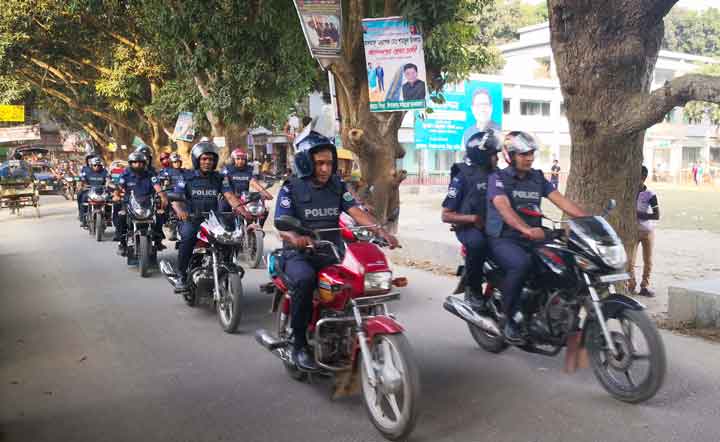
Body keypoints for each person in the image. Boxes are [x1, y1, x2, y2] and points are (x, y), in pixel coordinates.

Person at [275, 129, 399, 371]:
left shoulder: (336, 185)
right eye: (319, 163)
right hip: (299, 254)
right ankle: (298, 344)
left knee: (359, 281)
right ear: (306, 163)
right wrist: (296, 238)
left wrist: (380, 231)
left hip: (332, 252)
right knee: (304, 280)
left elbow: (355, 212)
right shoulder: (292, 187)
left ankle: (353, 331)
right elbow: (281, 224)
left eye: (329, 163)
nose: (325, 169)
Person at [486, 131, 588, 344]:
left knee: (566, 262)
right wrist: (526, 229)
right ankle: (510, 318)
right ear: (510, 155)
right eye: (523, 154)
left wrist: (588, 220)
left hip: (535, 237)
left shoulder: (537, 178)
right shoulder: (498, 179)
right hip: (505, 238)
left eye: (531, 153)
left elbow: (561, 201)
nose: (529, 158)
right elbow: (503, 208)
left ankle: (553, 312)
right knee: (521, 264)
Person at [171, 141, 248, 292]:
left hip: (213, 220)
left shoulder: (219, 178)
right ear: (197, 160)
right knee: (187, 237)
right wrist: (180, 211)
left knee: (231, 238)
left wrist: (243, 211)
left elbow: (229, 195)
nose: (207, 162)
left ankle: (225, 268)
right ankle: (181, 274)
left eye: (211, 159)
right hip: (192, 219)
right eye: (204, 159)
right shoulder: (186, 177)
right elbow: (176, 198)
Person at [441, 131, 499, 308]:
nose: (497, 158)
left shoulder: (499, 174)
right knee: (478, 244)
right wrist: (473, 218)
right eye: (493, 154)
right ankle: (473, 291)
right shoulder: (463, 177)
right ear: (482, 155)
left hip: (494, 224)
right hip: (469, 227)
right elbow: (446, 215)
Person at [113, 151, 168, 259]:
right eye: (135, 162)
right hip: (129, 202)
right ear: (130, 163)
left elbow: (157, 186)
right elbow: (119, 187)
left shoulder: (150, 174)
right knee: (121, 216)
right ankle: (122, 243)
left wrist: (162, 196)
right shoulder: (126, 174)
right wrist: (116, 195)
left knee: (160, 214)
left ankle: (158, 240)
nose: (138, 165)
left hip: (147, 203)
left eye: (141, 163)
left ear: (145, 163)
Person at [627, 166, 660, 297]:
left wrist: (638, 215)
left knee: (648, 261)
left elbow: (656, 215)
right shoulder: (629, 193)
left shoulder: (650, 195)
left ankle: (644, 287)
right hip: (633, 232)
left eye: (638, 177)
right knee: (630, 262)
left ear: (643, 178)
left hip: (647, 232)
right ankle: (631, 285)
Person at [220, 148, 273, 224]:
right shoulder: (227, 169)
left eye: (243, 159)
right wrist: (230, 194)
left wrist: (264, 192)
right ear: (233, 160)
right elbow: (224, 183)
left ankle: (256, 229)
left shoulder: (249, 169)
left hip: (244, 198)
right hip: (229, 197)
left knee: (263, 210)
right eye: (238, 159)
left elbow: (253, 182)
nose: (240, 161)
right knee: (224, 213)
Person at [78, 157, 110, 227]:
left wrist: (107, 185)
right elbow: (81, 181)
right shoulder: (86, 171)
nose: (97, 167)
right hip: (89, 191)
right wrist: (82, 186)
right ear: (91, 165)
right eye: (95, 165)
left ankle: (108, 218)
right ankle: (83, 218)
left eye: (98, 165)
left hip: (101, 191)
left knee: (109, 200)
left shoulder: (104, 171)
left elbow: (108, 179)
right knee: (83, 198)